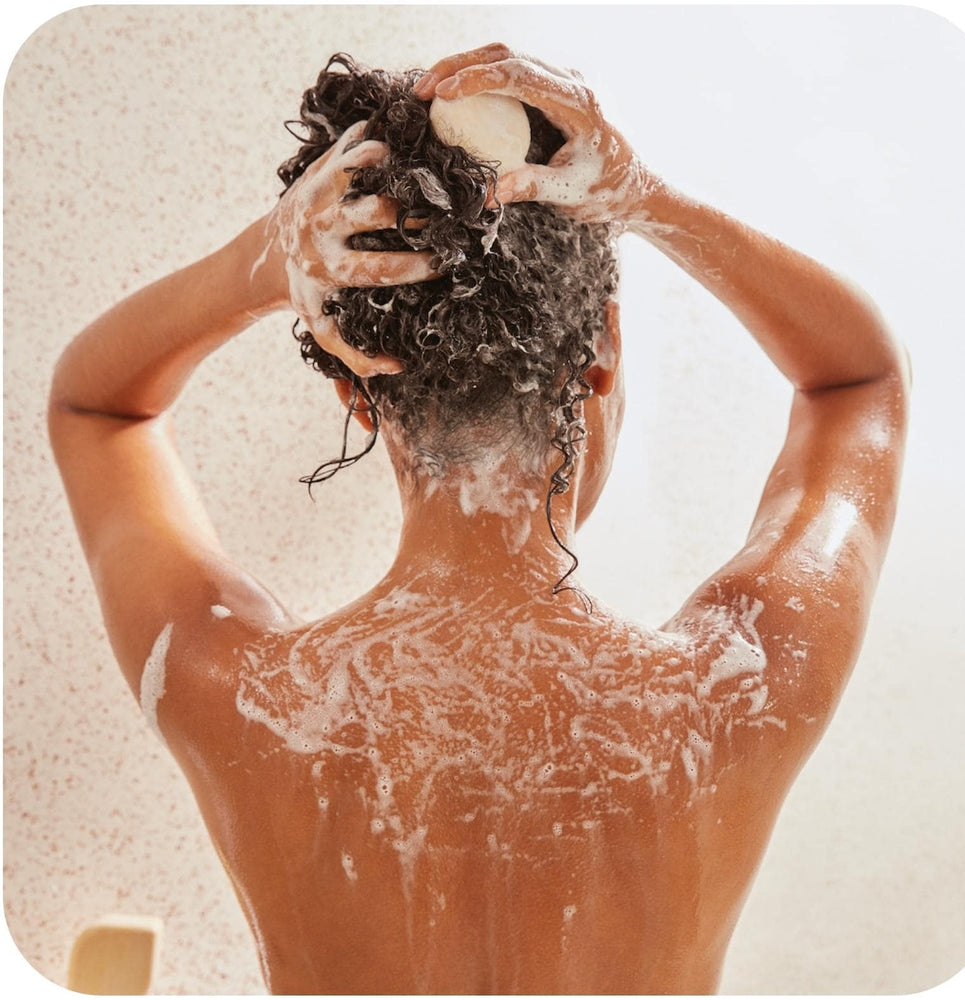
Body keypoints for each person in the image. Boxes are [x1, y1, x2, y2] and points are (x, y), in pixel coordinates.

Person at [48, 43, 910, 995]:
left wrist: (258, 266)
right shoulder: (738, 686)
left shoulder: (238, 698)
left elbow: (97, 406)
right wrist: (648, 199)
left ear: (353, 392)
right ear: (600, 356)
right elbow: (858, 380)